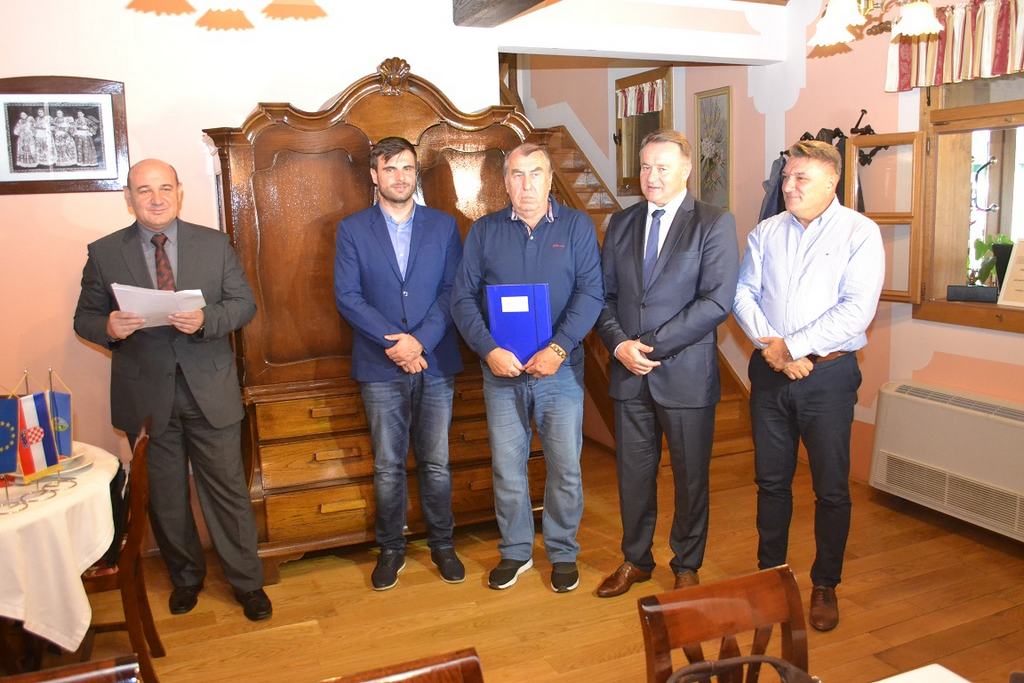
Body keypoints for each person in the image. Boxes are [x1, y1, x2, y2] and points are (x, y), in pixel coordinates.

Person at [73, 158, 272, 622]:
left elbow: (243, 304)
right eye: (144, 190)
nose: (156, 198)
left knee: (227, 492)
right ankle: (186, 578)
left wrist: (206, 319)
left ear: (179, 193)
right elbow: (84, 318)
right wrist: (109, 327)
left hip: (210, 390)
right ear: (129, 199)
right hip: (145, 395)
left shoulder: (215, 244)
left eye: (165, 188)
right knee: (164, 496)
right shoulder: (104, 253)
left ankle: (248, 583)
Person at [733, 140, 883, 632]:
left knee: (831, 487)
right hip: (770, 374)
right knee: (771, 481)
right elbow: (744, 294)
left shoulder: (859, 233)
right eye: (786, 177)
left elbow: (855, 310)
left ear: (832, 182)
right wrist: (774, 350)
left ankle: (825, 585)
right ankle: (770, 577)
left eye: (801, 178)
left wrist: (792, 347)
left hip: (829, 377)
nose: (789, 186)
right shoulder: (766, 231)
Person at [451, 142, 602, 593]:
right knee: (508, 468)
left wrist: (559, 348)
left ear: (550, 179)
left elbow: (591, 294)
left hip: (560, 372)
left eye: (536, 173)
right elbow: (461, 298)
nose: (527, 184)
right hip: (502, 373)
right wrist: (488, 350)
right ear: (505, 182)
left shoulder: (576, 227)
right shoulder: (485, 231)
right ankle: (516, 551)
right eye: (517, 174)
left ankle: (562, 551)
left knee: (565, 467)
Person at [594, 130, 739, 598]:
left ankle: (687, 564)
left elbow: (715, 302)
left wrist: (648, 347)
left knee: (691, 479)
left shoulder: (714, 222)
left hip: (685, 377)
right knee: (633, 477)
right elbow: (603, 296)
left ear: (686, 170)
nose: (651, 177)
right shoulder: (621, 223)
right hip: (628, 375)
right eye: (645, 167)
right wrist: (620, 345)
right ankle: (636, 560)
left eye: (662, 167)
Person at [334, 137, 465, 591]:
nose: (400, 177)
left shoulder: (444, 226)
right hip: (380, 363)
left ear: (416, 173)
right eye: (390, 169)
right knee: (388, 465)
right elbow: (348, 297)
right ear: (375, 176)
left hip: (435, 361)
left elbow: (452, 292)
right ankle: (391, 549)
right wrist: (398, 345)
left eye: (407, 168)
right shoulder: (352, 229)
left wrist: (420, 342)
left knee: (436, 462)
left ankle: (443, 544)